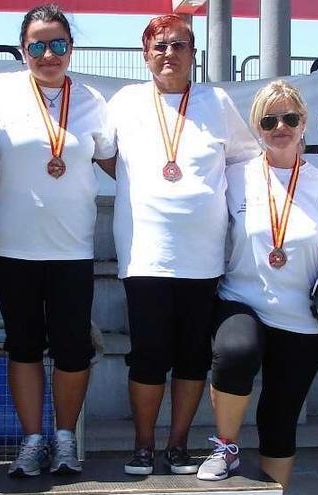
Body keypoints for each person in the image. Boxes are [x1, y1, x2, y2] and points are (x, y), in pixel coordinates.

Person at [109, 14, 260, 476]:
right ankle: (142, 446)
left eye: (179, 45)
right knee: (149, 356)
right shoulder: (126, 101)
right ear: (145, 54)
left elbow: (244, 158)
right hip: (145, 256)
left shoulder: (216, 101)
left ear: (193, 54)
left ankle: (177, 446)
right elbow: (99, 152)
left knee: (192, 357)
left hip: (203, 258)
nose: (168, 53)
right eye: (159, 45)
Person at [0, 3, 117, 478]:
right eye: (37, 45)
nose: (48, 54)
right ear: (23, 49)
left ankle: (63, 439)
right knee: (23, 346)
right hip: (12, 248)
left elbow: (119, 162)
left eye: (58, 44)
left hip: (71, 249)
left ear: (71, 49)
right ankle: (32, 439)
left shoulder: (93, 100)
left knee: (73, 349)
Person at [197, 80, 318, 486]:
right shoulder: (234, 176)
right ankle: (225, 447)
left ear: (304, 124)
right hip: (242, 299)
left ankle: (273, 491)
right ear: (256, 126)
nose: (280, 126)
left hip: (301, 317)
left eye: (289, 118)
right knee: (235, 353)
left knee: (279, 417)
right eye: (268, 120)